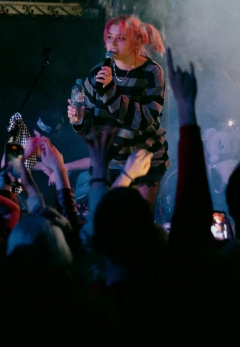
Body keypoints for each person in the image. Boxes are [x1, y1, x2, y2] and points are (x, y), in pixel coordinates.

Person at [67, 15, 169, 210]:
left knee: (138, 224)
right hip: (107, 162)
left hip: (142, 161)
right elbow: (90, 126)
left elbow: (143, 120)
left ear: (136, 41)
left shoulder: (152, 72)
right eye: (109, 37)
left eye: (121, 38)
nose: (113, 43)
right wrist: (79, 119)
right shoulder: (97, 73)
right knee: (108, 224)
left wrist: (110, 91)